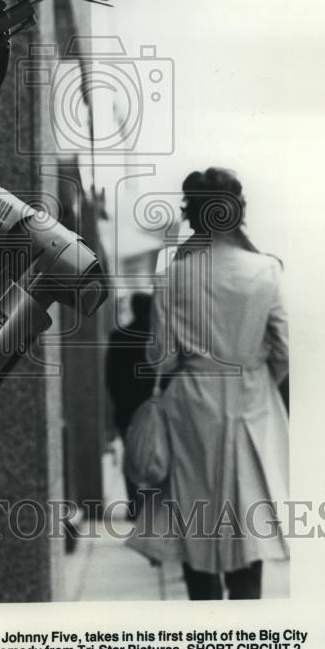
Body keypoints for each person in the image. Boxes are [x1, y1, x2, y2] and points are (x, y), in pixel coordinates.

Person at [126, 167, 289, 599]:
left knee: (192, 528)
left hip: (190, 407)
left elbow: (160, 356)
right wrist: (255, 377)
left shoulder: (174, 277)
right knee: (246, 527)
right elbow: (285, 349)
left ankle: (206, 628)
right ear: (238, 213)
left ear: (194, 216)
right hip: (250, 404)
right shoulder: (266, 271)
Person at [105, 292, 153, 518]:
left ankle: (135, 504)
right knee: (156, 453)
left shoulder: (118, 337)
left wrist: (117, 403)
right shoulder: (157, 339)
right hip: (153, 406)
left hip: (126, 407)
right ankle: (155, 506)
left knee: (131, 455)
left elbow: (111, 377)